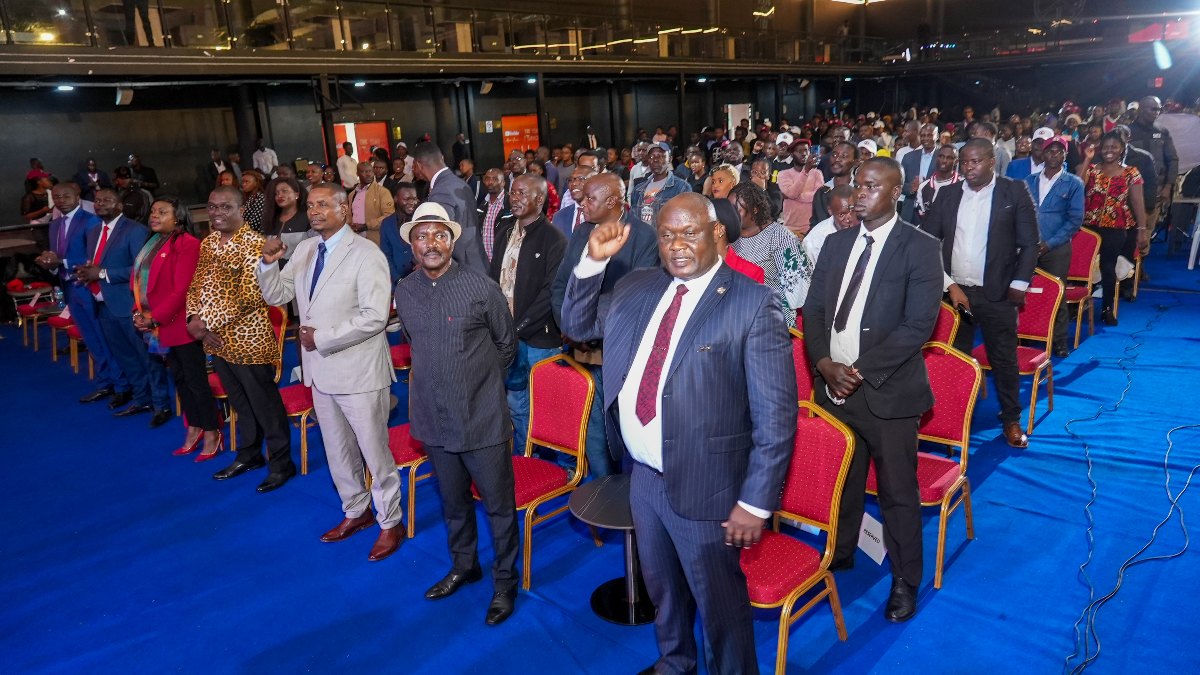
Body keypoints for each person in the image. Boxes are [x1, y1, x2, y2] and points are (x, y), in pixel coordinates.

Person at [560, 192, 796, 675]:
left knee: (720, 609)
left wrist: (755, 503)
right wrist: (591, 263)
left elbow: (776, 417)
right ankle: (676, 663)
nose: (677, 245)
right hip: (644, 479)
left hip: (710, 486)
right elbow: (576, 324)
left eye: (690, 233)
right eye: (667, 235)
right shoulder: (637, 286)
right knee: (663, 589)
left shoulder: (753, 303)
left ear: (717, 234)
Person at [803, 156, 944, 624]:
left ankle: (905, 579)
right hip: (833, 384)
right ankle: (841, 552)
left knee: (896, 491)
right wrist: (824, 364)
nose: (859, 194)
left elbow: (918, 326)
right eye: (857, 185)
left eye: (871, 187)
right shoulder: (836, 242)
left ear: (896, 193)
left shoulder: (920, 247)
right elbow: (814, 312)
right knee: (842, 478)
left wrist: (858, 371)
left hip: (887, 391)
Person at [258, 183, 404, 556]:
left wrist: (321, 337)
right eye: (311, 205)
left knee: (374, 452)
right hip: (320, 372)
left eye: (323, 204)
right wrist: (268, 265)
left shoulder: (366, 254)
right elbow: (277, 295)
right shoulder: (306, 249)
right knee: (337, 449)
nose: (314, 211)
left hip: (359, 371)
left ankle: (390, 521)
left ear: (344, 209)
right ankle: (356, 511)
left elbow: (375, 317)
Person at [392, 203, 521, 625]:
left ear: (452, 241)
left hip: (482, 420)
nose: (431, 243)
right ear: (412, 245)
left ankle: (505, 583)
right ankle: (465, 566)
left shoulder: (481, 288)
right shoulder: (405, 291)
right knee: (453, 503)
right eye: (422, 236)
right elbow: (415, 343)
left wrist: (474, 383)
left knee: (499, 508)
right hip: (433, 419)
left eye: (439, 235)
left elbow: (507, 346)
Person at [922, 138, 1039, 449]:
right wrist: (949, 284)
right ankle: (952, 419)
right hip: (954, 293)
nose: (968, 167)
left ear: (991, 162)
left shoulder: (1014, 191)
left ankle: (1011, 418)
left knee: (1003, 358)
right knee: (954, 359)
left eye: (975, 161)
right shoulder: (948, 194)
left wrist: (1019, 284)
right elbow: (928, 243)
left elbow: (1029, 243)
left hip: (997, 293)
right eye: (964, 162)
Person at [187, 186, 297, 491]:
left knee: (265, 405)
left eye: (225, 207)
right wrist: (192, 317)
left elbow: (249, 296)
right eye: (212, 207)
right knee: (240, 403)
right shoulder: (209, 243)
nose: (217, 213)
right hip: (216, 341)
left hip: (248, 340)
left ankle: (282, 464)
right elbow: (197, 285)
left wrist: (205, 323)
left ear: (241, 210)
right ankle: (249, 455)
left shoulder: (255, 245)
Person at [550, 173, 658, 478]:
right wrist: (570, 328)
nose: (582, 204)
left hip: (618, 354)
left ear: (612, 201)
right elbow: (561, 285)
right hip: (579, 350)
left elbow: (634, 298)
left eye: (590, 198)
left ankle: (629, 492)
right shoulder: (582, 232)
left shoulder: (644, 236)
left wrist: (591, 329)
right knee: (592, 429)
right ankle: (603, 488)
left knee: (624, 433)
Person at [133, 196, 222, 459]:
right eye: (153, 211)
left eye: (162, 212)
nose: (154, 215)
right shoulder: (152, 243)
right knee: (180, 380)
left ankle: (212, 430)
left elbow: (182, 289)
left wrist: (154, 317)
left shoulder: (188, 244)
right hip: (160, 326)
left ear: (178, 218)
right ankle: (194, 425)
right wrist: (139, 312)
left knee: (196, 381)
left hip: (181, 324)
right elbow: (139, 283)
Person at [487, 175, 566, 454]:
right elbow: (494, 278)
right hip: (507, 336)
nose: (515, 197)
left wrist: (518, 327)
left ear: (539, 199)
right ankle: (524, 455)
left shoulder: (554, 239)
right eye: (513, 192)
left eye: (522, 193)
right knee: (516, 401)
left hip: (539, 337)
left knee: (548, 404)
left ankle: (562, 464)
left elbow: (550, 291)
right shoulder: (504, 230)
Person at [76, 189, 166, 425]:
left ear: (120, 205)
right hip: (103, 304)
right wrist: (86, 272)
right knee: (125, 357)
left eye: (107, 200)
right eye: (97, 201)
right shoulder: (93, 232)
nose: (100, 204)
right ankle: (142, 398)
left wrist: (102, 273)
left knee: (147, 357)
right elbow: (96, 263)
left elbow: (142, 268)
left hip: (129, 305)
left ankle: (161, 405)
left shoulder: (135, 230)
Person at [35, 183, 124, 405]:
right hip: (68, 287)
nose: (61, 200)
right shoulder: (54, 225)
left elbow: (94, 256)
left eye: (66, 196)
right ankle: (105, 383)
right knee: (90, 338)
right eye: (57, 197)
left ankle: (121, 385)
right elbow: (56, 255)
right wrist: (50, 263)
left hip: (88, 286)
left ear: (77, 197)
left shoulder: (91, 220)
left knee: (104, 337)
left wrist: (61, 261)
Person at [1076, 131, 1146, 327]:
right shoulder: (1091, 169)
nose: (1109, 150)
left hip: (1115, 226)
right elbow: (1077, 185)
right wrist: (1087, 159)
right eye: (1106, 147)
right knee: (1082, 267)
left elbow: (1137, 202)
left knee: (1108, 267)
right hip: (1088, 226)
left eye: (1114, 147)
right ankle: (1078, 305)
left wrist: (1142, 229)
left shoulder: (1131, 172)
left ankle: (1107, 309)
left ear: (1122, 149)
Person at [1024, 137, 1084, 356]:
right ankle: (1025, 334)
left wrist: (1049, 244)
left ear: (1065, 155)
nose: (1054, 155)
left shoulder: (1073, 183)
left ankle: (1059, 341)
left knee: (1057, 293)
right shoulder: (1029, 180)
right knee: (1025, 291)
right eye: (1050, 151)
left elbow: (1075, 220)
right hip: (1028, 247)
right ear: (1043, 153)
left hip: (1056, 248)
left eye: (1059, 151)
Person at [730, 182, 809, 329]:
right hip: (737, 316)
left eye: (736, 210)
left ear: (754, 209)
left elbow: (798, 290)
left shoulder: (779, 236)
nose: (731, 215)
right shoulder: (730, 237)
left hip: (771, 318)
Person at [413, 142, 488, 273]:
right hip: (477, 262)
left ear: (419, 165)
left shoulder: (440, 192)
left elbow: (440, 239)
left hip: (461, 272)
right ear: (442, 157)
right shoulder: (458, 182)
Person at [1126, 95, 1178, 236]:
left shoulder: (1162, 132)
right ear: (1141, 109)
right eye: (1153, 109)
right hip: (1129, 191)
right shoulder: (1126, 131)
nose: (1157, 112)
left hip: (1155, 192)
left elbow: (1172, 160)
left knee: (1145, 235)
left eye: (1159, 109)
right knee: (1126, 234)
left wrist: (1168, 187)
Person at [802, 184, 857, 279]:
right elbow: (810, 277)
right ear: (830, 211)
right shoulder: (815, 240)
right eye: (842, 214)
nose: (849, 218)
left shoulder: (867, 228)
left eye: (853, 212)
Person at [776, 140, 824, 236]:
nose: (804, 154)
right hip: (790, 229)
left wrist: (797, 196)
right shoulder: (783, 174)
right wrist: (805, 171)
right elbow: (792, 193)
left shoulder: (817, 173)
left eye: (806, 150)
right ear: (792, 154)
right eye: (799, 151)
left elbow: (818, 196)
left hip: (812, 228)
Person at [347, 161, 396, 246]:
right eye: (364, 171)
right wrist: (350, 226)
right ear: (357, 174)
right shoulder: (352, 194)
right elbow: (349, 216)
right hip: (356, 240)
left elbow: (389, 215)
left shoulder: (382, 192)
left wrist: (366, 226)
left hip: (376, 240)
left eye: (370, 171)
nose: (368, 174)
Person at [378, 182, 418, 286]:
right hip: (396, 283)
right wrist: (398, 279)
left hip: (419, 280)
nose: (412, 202)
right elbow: (386, 255)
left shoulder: (421, 222)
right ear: (395, 199)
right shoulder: (387, 223)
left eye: (414, 198)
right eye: (406, 199)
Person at [811, 141, 857, 229]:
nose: (837, 159)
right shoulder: (822, 192)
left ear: (855, 161)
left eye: (844, 156)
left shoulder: (859, 191)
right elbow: (815, 224)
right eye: (834, 155)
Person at [900, 124, 938, 222]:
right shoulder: (908, 157)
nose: (925, 138)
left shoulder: (943, 157)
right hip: (910, 210)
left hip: (934, 211)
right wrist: (911, 188)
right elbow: (899, 184)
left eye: (929, 135)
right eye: (923, 135)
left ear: (937, 136)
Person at [914, 144, 961, 224]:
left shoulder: (963, 184)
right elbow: (922, 216)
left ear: (956, 161)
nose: (944, 160)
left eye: (949, 158)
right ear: (936, 158)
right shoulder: (923, 187)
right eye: (941, 156)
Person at [552, 164, 596, 240]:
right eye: (570, 180)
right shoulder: (559, 216)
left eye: (581, 179)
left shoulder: (600, 216)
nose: (574, 183)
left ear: (594, 182)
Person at [477, 168, 509, 264]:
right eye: (487, 179)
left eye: (495, 179)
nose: (490, 182)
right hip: (485, 262)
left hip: (505, 261)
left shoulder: (510, 204)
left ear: (503, 183)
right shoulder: (482, 204)